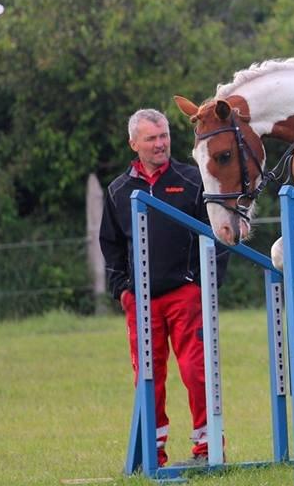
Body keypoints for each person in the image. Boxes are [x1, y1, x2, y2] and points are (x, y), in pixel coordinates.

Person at [100, 108, 229, 468]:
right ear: (134, 143)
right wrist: (122, 290)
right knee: (147, 378)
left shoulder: (193, 180)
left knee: (196, 371)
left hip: (186, 295)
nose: (160, 144)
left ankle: (208, 450)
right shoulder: (118, 190)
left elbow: (219, 234)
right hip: (140, 301)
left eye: (164, 137)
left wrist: (208, 281)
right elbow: (110, 245)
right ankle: (151, 454)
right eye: (151, 139)